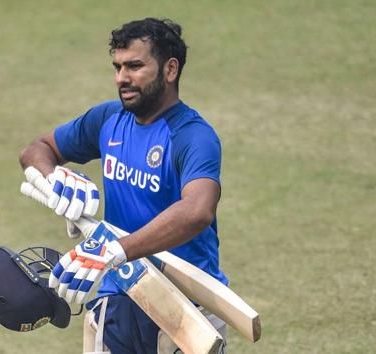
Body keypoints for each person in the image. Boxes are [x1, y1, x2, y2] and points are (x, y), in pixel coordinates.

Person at [19, 17, 228, 354]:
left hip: (186, 307)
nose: (121, 78)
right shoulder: (108, 120)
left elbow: (197, 210)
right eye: (117, 67)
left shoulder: (193, 136)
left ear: (170, 70)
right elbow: (37, 151)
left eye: (134, 66)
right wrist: (58, 181)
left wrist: (116, 250)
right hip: (117, 300)